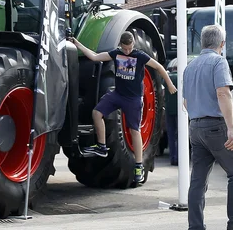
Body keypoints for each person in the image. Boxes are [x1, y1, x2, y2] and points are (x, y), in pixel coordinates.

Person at [183, 24, 233, 230]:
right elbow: (223, 93)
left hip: (195, 127)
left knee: (198, 180)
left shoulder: (190, 66)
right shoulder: (219, 62)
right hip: (216, 127)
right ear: (222, 44)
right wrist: (231, 128)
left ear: (202, 43)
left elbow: (186, 102)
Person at [68, 31, 177, 183]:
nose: (127, 52)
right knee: (96, 113)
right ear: (120, 45)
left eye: (129, 48)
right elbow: (94, 56)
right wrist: (77, 44)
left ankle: (139, 166)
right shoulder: (116, 53)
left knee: (134, 130)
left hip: (133, 99)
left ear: (133, 44)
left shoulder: (140, 56)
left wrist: (170, 83)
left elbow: (158, 67)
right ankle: (102, 146)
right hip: (117, 95)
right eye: (124, 49)